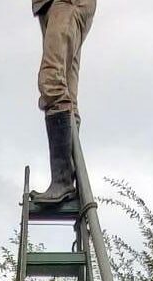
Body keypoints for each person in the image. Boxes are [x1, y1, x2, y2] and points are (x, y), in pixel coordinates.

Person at [30, 0, 98, 203]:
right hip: (56, 6)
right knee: (67, 92)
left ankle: (62, 180)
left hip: (66, 4)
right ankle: (67, 177)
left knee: (52, 80)